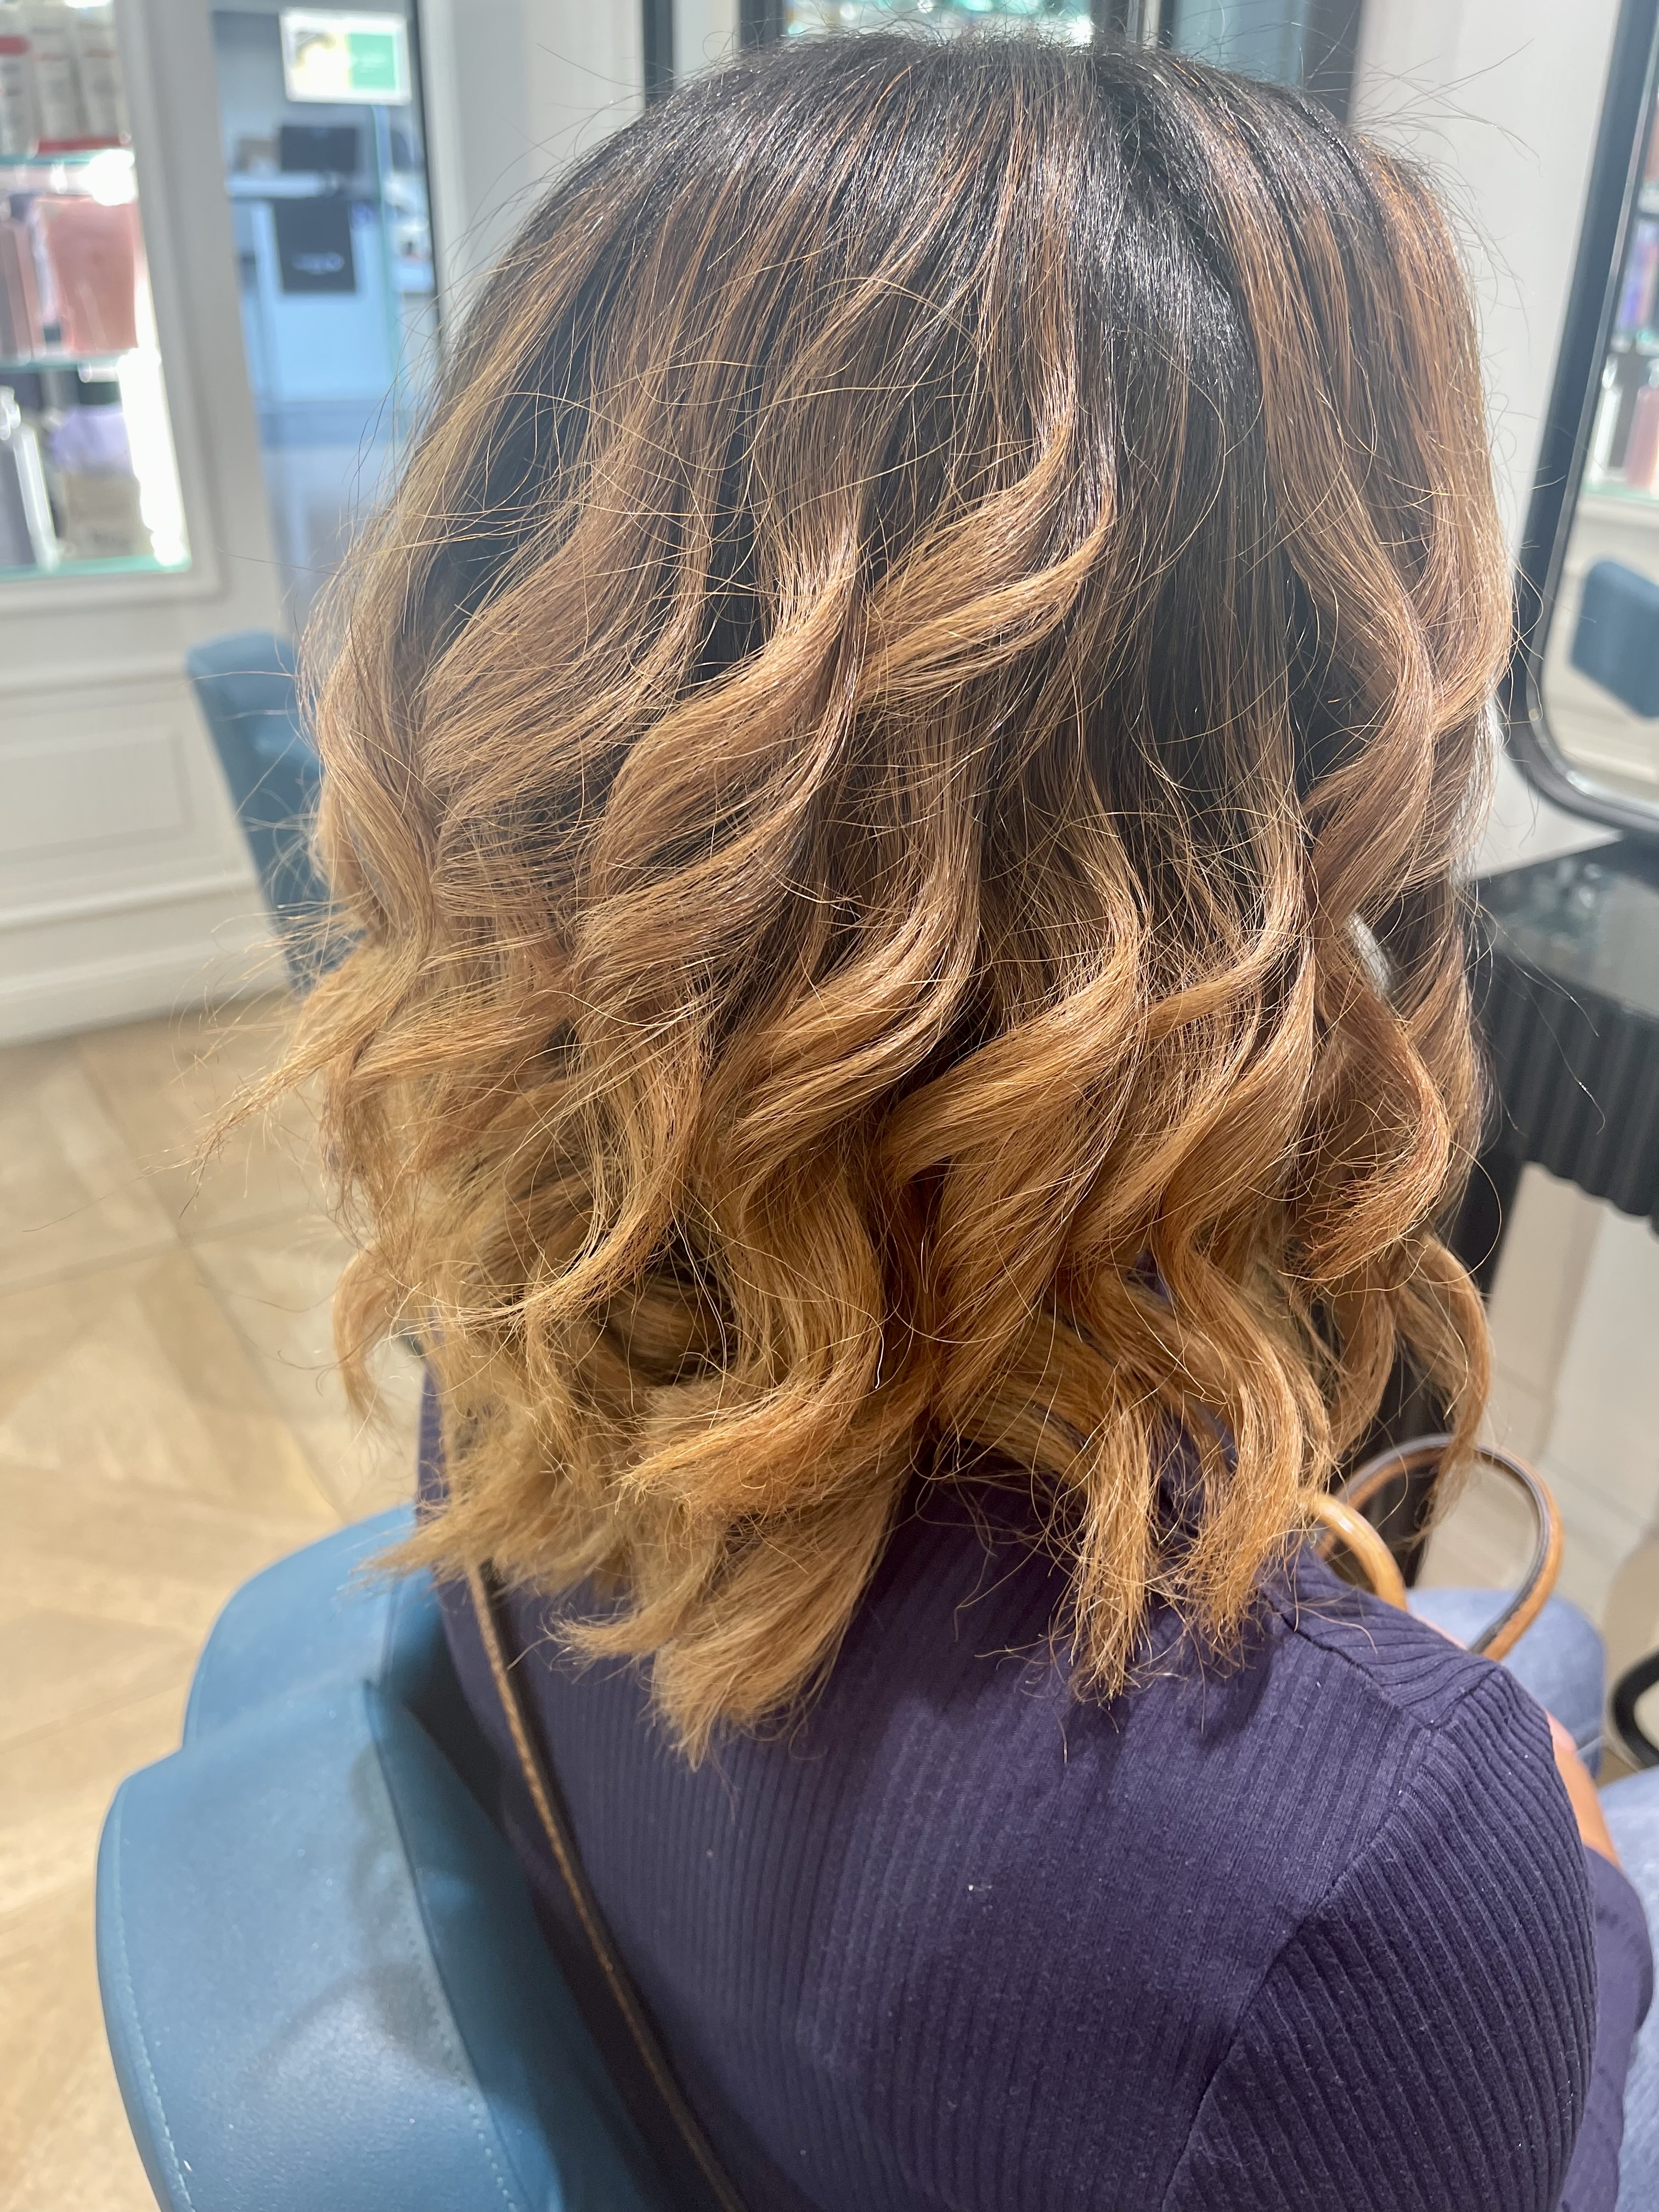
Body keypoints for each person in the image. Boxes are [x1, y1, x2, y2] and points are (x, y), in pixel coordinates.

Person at [269, 33, 1657, 2210]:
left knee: (1535, 1668)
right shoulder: (1367, 1865)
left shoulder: (528, 1296)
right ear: (1290, 754)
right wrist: (1578, 1898)